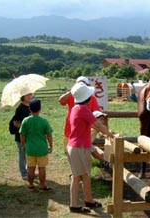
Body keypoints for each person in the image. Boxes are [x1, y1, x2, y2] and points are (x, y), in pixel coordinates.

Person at [67, 83, 113, 214]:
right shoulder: (83, 109)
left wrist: (104, 131)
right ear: (87, 98)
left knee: (84, 176)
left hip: (76, 146)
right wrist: (109, 134)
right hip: (79, 148)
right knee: (78, 177)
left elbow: (89, 125)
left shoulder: (76, 108)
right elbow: (97, 124)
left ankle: (88, 200)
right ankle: (75, 204)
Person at [58, 76, 102, 160]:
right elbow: (61, 100)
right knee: (69, 151)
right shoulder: (71, 96)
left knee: (81, 150)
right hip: (70, 127)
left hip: (85, 128)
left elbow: (97, 114)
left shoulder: (92, 98)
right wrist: (72, 91)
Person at [19, 99, 53, 192]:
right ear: (40, 109)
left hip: (30, 149)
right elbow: (49, 135)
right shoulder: (44, 121)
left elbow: (22, 135)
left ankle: (30, 185)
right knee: (42, 168)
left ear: (29, 109)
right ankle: (42, 186)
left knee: (30, 168)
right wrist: (51, 145)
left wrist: (23, 145)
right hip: (42, 149)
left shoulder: (26, 121)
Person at [12, 87, 34, 180]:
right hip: (21, 136)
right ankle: (24, 173)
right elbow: (16, 123)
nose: (29, 96)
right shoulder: (20, 108)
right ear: (22, 96)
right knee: (22, 154)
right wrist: (25, 128)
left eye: (30, 94)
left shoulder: (31, 107)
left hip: (30, 136)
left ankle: (30, 171)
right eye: (27, 94)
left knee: (30, 154)